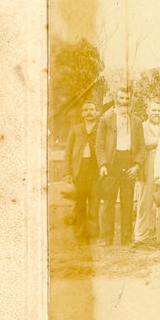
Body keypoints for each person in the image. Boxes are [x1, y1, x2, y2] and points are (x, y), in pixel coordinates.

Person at [95, 88, 146, 245]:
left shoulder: (136, 121)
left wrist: (137, 165)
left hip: (128, 162)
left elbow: (141, 147)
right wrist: (103, 164)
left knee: (127, 201)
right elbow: (99, 145)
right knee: (109, 201)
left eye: (127, 99)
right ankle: (106, 238)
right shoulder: (105, 119)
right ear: (116, 98)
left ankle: (126, 238)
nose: (124, 101)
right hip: (112, 162)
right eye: (121, 98)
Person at [63, 101, 100, 242]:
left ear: (97, 112)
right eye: (86, 110)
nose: (89, 112)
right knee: (79, 205)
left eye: (92, 109)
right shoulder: (75, 130)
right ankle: (79, 236)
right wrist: (67, 173)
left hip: (95, 171)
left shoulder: (101, 128)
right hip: (79, 171)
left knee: (94, 205)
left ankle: (93, 236)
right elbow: (68, 153)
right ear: (82, 113)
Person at [134, 100, 160, 245]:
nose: (156, 113)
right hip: (147, 165)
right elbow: (143, 144)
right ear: (147, 111)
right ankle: (141, 234)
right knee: (145, 201)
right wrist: (159, 142)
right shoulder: (141, 127)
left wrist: (155, 142)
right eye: (153, 110)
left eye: (159, 110)